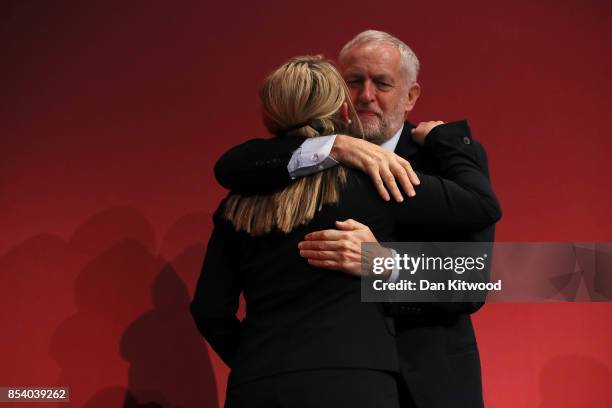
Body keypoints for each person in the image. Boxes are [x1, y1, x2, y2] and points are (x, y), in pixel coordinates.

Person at [191, 55, 501, 407]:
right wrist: (334, 146)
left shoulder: (432, 162)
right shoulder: (321, 172)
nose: (366, 96)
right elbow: (230, 165)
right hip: (356, 384)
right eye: (354, 82)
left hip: (420, 387)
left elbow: (472, 279)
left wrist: (382, 263)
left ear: (410, 96)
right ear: (341, 102)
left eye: (382, 83)